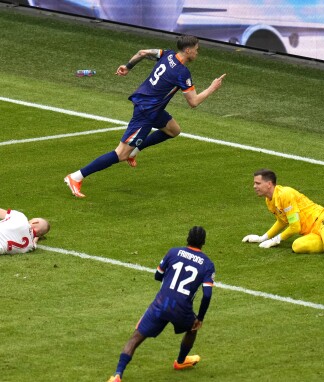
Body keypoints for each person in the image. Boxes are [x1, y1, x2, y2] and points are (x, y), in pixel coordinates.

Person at [65, 35, 226, 198]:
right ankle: (76, 176)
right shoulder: (182, 73)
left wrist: (128, 66)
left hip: (151, 107)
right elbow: (193, 102)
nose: (197, 53)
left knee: (173, 130)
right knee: (121, 154)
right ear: (188, 50)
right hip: (146, 112)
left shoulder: (167, 54)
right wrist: (213, 88)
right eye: (197, 50)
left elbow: (142, 53)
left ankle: (136, 150)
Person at [107, 226, 215, 382]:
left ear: (187, 239)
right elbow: (207, 294)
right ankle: (180, 361)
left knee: (135, 338)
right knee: (192, 328)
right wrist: (200, 318)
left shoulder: (173, 252)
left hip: (160, 304)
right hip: (182, 309)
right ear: (203, 242)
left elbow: (158, 275)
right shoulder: (207, 264)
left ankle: (117, 374)